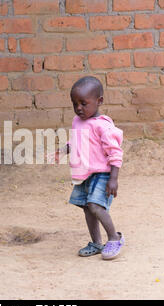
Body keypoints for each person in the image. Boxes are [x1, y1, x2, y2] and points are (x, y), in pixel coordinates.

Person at [50, 76, 125, 260]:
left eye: (83, 103)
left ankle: (114, 238)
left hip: (102, 173)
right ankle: (96, 243)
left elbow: (115, 153)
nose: (78, 108)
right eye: (74, 104)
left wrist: (113, 179)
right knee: (86, 207)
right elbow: (77, 140)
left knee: (96, 206)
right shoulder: (78, 121)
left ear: (99, 101)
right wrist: (63, 150)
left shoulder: (103, 126)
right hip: (85, 174)